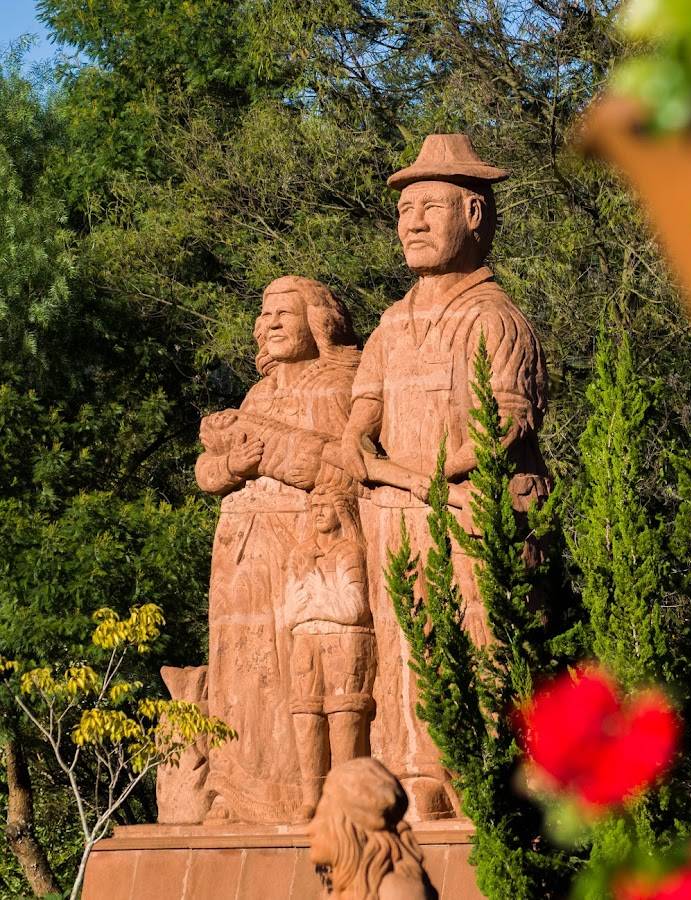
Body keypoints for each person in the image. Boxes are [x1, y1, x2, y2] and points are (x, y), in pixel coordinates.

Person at [340, 134, 550, 819]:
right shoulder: (393, 322)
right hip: (398, 521)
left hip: (476, 514)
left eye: (429, 207)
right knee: (407, 640)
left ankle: (488, 775)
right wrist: (359, 447)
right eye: (404, 212)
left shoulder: (495, 317)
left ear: (475, 214)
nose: (413, 223)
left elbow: (507, 425)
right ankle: (417, 771)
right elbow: (362, 406)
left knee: (481, 633)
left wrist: (411, 473)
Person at [196, 276, 361, 823]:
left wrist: (271, 456)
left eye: (283, 313)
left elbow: (348, 466)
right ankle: (237, 791)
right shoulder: (257, 394)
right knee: (241, 672)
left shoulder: (342, 384)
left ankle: (300, 795)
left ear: (319, 321)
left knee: (295, 671)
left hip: (301, 547)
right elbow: (212, 472)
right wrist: (231, 466)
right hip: (241, 552)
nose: (269, 324)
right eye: (264, 315)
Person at [286, 485, 376, 819]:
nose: (318, 510)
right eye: (314, 505)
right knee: (306, 714)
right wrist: (322, 604)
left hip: (346, 641)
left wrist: (316, 601)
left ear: (341, 510)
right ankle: (312, 799)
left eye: (325, 504)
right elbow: (290, 613)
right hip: (306, 642)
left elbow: (354, 607)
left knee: (344, 712)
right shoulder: (300, 554)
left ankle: (346, 797)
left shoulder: (349, 551)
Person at [308, 757, 436, 900]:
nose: (310, 830)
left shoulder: (399, 893)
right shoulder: (331, 894)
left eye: (322, 818)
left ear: (354, 826)